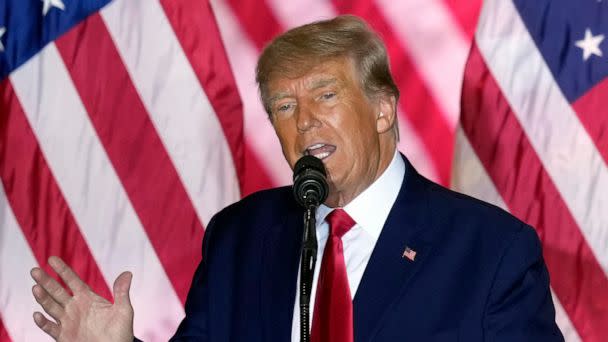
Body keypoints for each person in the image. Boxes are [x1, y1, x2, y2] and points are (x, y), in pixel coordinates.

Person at [30, 15, 564, 341]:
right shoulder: (239, 236)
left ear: (382, 109)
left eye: (326, 95)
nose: (304, 121)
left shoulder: (491, 250)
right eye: (284, 106)